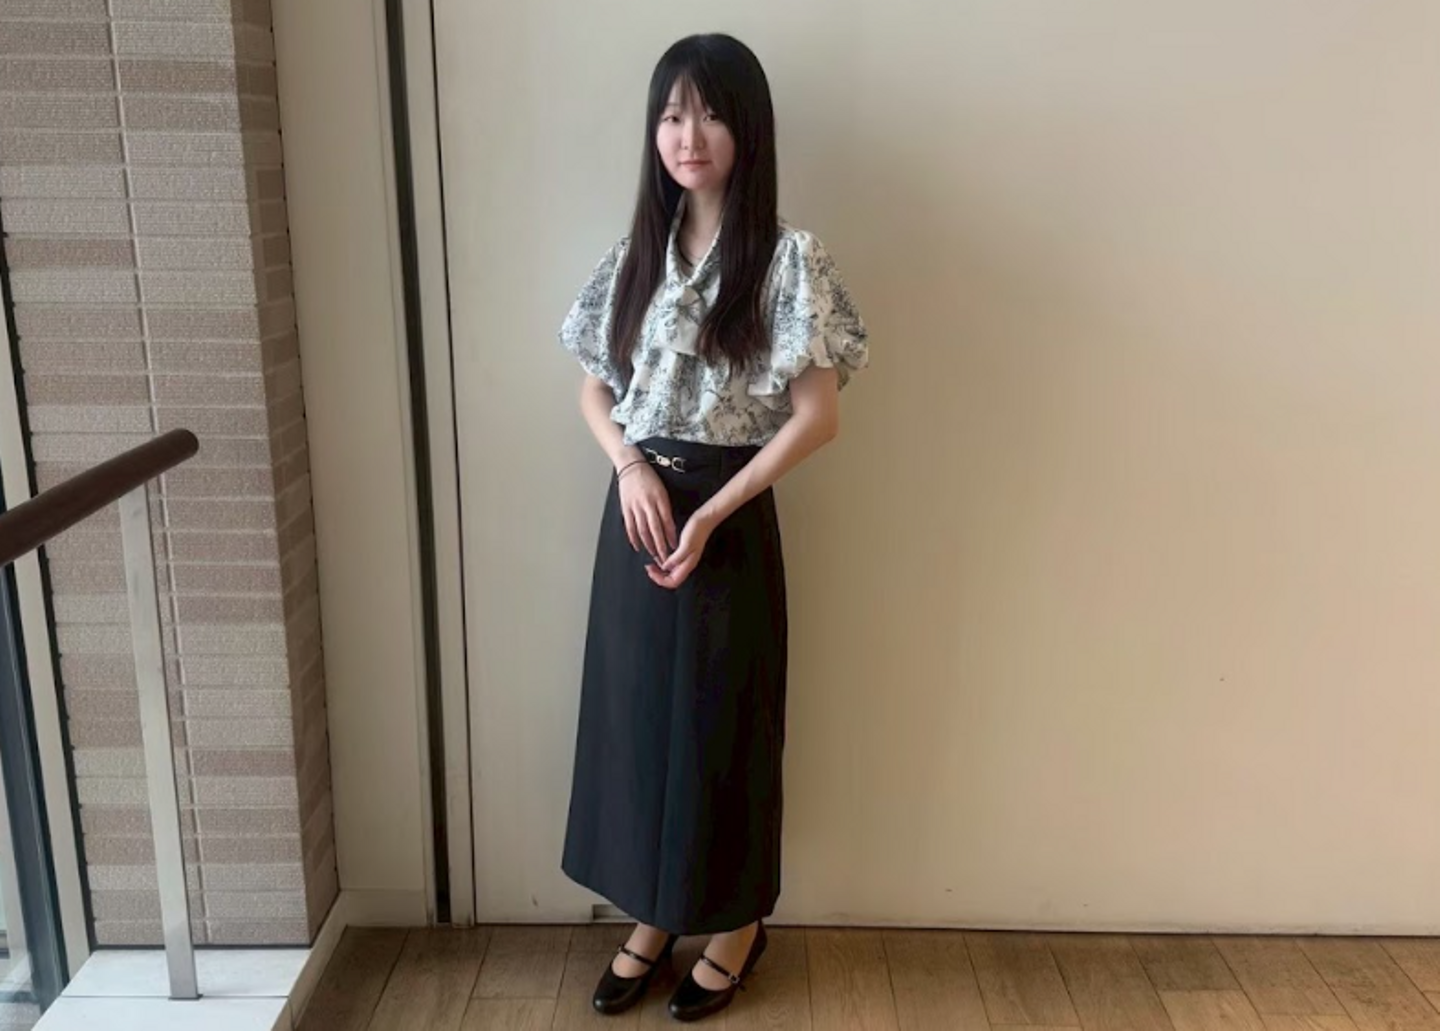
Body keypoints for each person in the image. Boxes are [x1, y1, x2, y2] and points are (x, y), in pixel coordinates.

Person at [557, 32, 870, 1023]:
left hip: (726, 520)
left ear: (747, 128)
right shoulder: (634, 257)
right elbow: (594, 388)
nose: (687, 135)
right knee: (638, 725)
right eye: (671, 114)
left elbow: (819, 417)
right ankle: (654, 914)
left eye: (709, 113)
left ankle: (735, 926)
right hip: (638, 513)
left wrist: (714, 508)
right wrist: (629, 465)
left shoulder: (788, 258)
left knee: (722, 728)